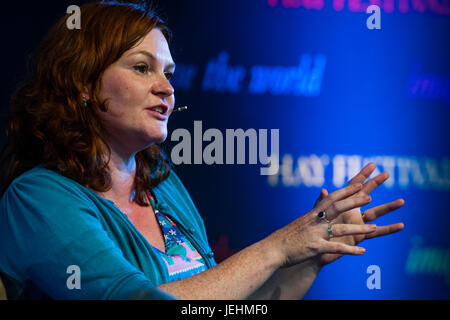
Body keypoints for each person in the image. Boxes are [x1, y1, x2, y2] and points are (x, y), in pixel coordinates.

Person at [0, 1, 405, 300]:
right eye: (142, 68)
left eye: (168, 73)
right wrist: (278, 247)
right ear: (83, 85)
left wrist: (312, 251)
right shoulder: (37, 198)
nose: (166, 88)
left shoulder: (163, 186)